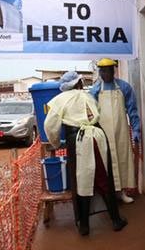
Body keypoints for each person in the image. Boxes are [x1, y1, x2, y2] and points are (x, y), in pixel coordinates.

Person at [44, 71, 127, 236]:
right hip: (97, 136)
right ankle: (115, 220)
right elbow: (97, 114)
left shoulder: (60, 99)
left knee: (81, 179)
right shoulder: (88, 96)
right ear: (79, 83)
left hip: (78, 140)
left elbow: (50, 125)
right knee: (104, 177)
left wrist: (54, 143)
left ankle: (84, 225)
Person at [90, 58, 141, 204]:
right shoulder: (95, 90)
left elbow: (132, 110)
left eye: (108, 70)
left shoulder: (124, 87)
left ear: (113, 70)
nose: (105, 73)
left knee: (122, 158)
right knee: (106, 162)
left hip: (121, 131)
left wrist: (136, 129)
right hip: (102, 132)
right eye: (102, 71)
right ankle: (109, 193)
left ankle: (122, 192)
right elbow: (91, 113)